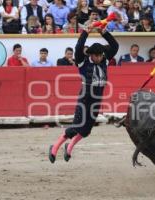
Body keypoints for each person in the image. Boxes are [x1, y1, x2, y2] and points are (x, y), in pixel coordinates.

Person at [48, 25, 119, 163]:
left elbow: (114, 45)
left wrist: (104, 32)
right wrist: (86, 32)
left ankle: (69, 147)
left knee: (86, 130)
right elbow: (78, 47)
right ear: (91, 54)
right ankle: (55, 147)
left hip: (97, 97)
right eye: (96, 55)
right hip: (85, 97)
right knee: (77, 126)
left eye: (100, 55)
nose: (99, 57)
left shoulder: (105, 59)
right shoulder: (82, 61)